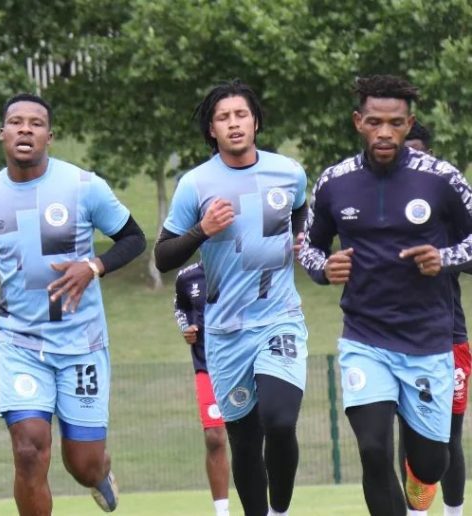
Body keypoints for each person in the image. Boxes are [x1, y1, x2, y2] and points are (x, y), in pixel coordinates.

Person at [0, 93, 146, 515]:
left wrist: (92, 267)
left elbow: (134, 239)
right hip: (21, 344)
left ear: (50, 136)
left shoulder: (84, 187)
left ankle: (100, 473)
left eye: (35, 123)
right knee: (28, 450)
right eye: (16, 122)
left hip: (81, 343)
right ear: (2, 133)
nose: (25, 129)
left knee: (82, 462)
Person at [298, 75, 472, 516]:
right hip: (364, 340)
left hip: (429, 342)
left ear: (408, 123)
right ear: (359, 122)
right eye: (374, 122)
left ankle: (424, 479)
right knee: (373, 450)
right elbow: (309, 247)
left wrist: (445, 257)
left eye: (395, 123)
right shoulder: (335, 181)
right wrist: (324, 268)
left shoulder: (442, 178)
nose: (384, 132)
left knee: (431, 464)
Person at [154, 80, 309, 516]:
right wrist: (202, 230)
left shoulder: (289, 172)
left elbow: (299, 211)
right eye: (223, 118)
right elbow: (163, 257)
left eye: (241, 115)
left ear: (255, 122)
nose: (234, 123)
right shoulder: (196, 184)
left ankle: (280, 511)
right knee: (243, 438)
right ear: (212, 131)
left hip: (279, 317)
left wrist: (300, 239)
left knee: (280, 421)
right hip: (224, 333)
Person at [395, 121, 469, 516]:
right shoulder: (379, 212)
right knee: (406, 435)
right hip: (391, 339)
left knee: (448, 437)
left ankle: (454, 512)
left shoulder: (445, 208)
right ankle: (414, 513)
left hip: (449, 336)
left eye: (422, 153)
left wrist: (444, 256)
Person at [173, 261, 232, 516]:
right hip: (207, 366)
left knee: (252, 438)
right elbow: (181, 307)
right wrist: (186, 327)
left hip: (244, 362)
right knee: (214, 438)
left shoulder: (243, 265)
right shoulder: (187, 277)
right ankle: (222, 512)